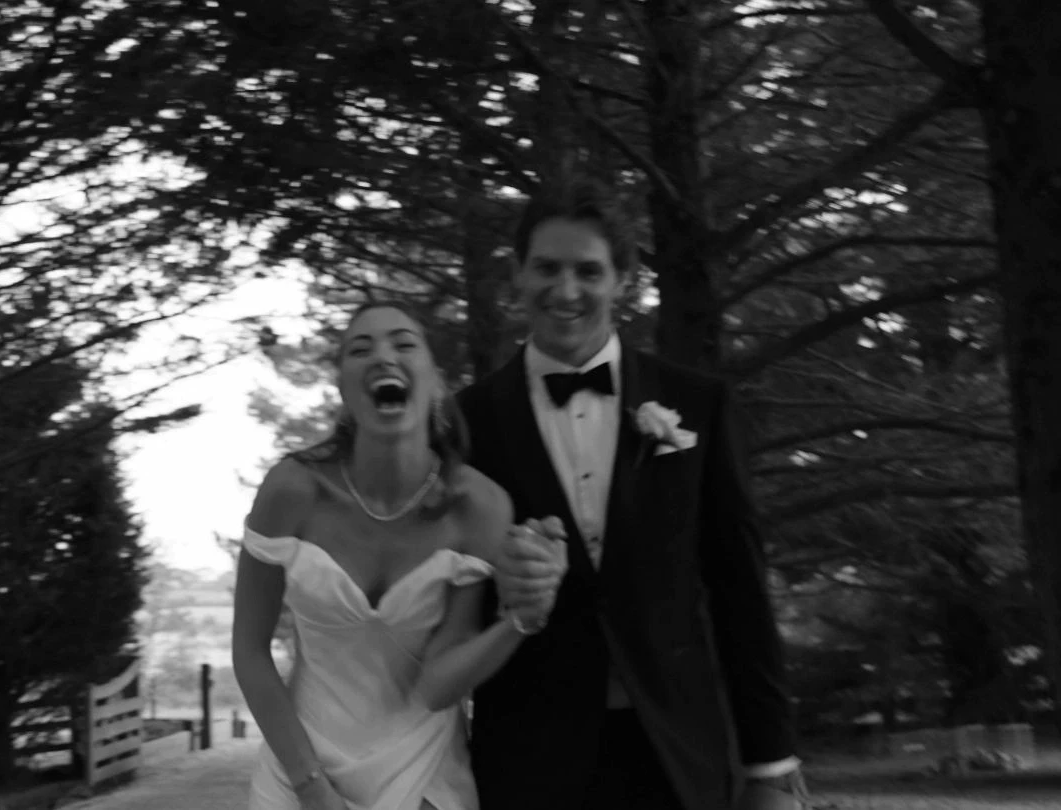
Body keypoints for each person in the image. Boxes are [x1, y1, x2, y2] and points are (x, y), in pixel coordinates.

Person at [456, 179, 808, 810]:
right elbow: (445, 600)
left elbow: (740, 592)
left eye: (588, 271)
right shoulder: (466, 423)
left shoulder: (700, 403)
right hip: (528, 761)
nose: (566, 290)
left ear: (624, 279)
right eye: (547, 268)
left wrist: (771, 764)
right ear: (517, 274)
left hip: (680, 755)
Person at [232, 302, 568, 810]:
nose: (383, 357)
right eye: (360, 349)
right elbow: (250, 651)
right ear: (342, 387)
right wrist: (311, 787)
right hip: (301, 769)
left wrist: (521, 620)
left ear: (434, 379)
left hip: (425, 772)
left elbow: (437, 687)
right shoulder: (291, 489)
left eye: (404, 344)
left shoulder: (478, 506)